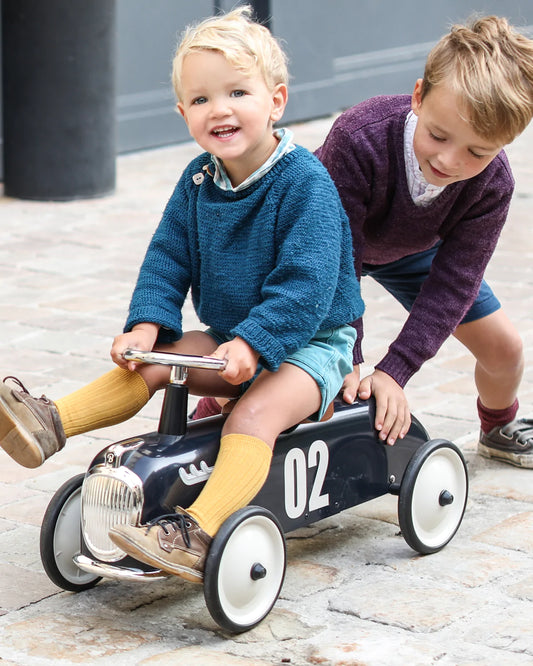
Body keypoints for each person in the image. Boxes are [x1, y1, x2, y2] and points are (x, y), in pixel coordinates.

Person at [0, 6, 363, 582]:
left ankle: (200, 529)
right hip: (229, 336)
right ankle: (52, 422)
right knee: (150, 364)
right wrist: (147, 324)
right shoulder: (198, 180)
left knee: (255, 415)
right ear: (182, 113)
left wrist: (255, 343)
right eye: (200, 100)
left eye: (237, 92)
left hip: (310, 343)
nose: (218, 109)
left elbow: (307, 286)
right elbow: (167, 258)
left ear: (277, 100)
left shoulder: (305, 185)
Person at [195, 15, 533, 468]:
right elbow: (338, 254)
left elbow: (454, 284)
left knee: (505, 350)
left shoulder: (492, 184)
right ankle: (202, 430)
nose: (450, 161)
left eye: (477, 151)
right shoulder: (361, 135)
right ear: (418, 96)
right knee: (268, 346)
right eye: (438, 135)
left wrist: (395, 370)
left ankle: (498, 428)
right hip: (312, 240)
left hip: (411, 249)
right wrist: (347, 358)